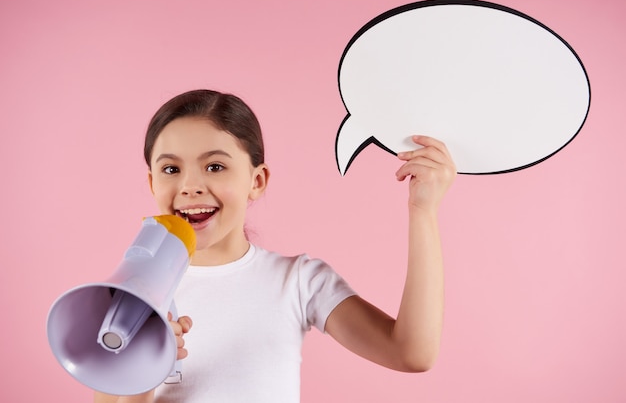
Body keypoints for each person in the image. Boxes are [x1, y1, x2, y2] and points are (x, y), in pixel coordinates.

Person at [94, 89, 456, 403]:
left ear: (257, 180)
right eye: (171, 170)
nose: (190, 186)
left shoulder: (298, 281)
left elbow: (412, 353)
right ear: (152, 182)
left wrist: (423, 210)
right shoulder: (125, 298)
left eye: (215, 167)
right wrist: (144, 367)